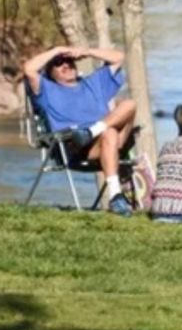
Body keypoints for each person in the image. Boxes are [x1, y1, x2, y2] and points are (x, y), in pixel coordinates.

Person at [23, 45, 138, 215]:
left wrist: (87, 52)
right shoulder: (46, 90)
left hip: (102, 140)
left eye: (69, 60)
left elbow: (119, 57)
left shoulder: (94, 83)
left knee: (130, 104)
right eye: (58, 63)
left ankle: (91, 131)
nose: (66, 65)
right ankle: (116, 196)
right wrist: (58, 50)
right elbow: (29, 68)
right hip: (71, 144)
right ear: (50, 72)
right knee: (110, 132)